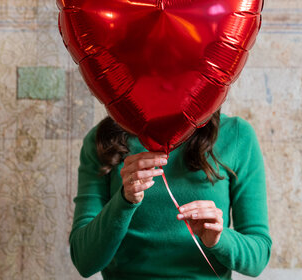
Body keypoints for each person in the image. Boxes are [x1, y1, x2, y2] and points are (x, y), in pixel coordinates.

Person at [69, 108, 272, 279]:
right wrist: (125, 200)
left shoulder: (237, 135)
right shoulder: (103, 140)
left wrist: (219, 239)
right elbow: (84, 261)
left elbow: (258, 256)